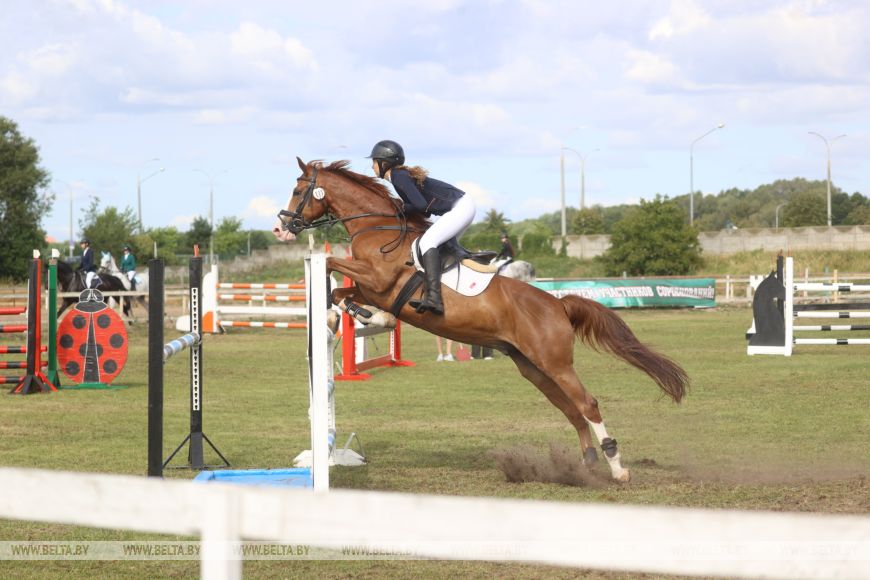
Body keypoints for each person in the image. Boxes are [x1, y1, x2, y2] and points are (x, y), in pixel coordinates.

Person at [368, 140, 476, 315]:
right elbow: (424, 211)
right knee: (440, 246)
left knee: (427, 242)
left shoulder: (398, 176)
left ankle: (434, 299)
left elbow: (419, 205)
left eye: (374, 161)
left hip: (460, 207)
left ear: (384, 163)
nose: (372, 166)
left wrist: (401, 208)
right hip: (462, 206)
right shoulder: (399, 176)